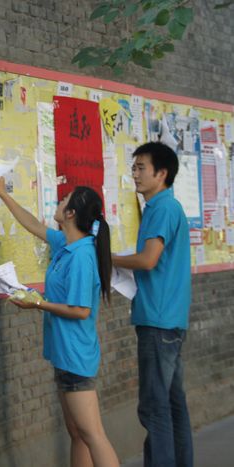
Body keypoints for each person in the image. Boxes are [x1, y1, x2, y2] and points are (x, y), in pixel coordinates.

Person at [0, 175, 119, 467]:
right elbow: (33, 225)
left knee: (93, 434)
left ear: (71, 213)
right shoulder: (66, 243)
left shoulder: (81, 256)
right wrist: (4, 195)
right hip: (65, 353)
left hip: (76, 355)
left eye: (64, 200)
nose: (59, 202)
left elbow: (80, 310)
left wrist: (38, 303)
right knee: (77, 433)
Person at [112, 142, 192, 467]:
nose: (135, 174)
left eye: (141, 167)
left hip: (158, 322)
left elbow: (148, 259)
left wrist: (109, 259)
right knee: (173, 405)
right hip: (169, 320)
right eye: (134, 168)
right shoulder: (165, 207)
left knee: (154, 408)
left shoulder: (161, 209)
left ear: (162, 173)